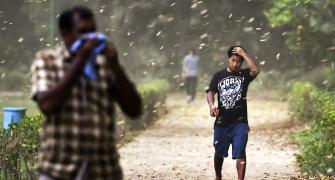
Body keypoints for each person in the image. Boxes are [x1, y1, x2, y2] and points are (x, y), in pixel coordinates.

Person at [30, 6, 142, 180]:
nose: (91, 38)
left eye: (93, 31)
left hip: (104, 170)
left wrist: (115, 66)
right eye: (83, 32)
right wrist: (80, 60)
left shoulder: (104, 65)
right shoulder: (47, 60)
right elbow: (47, 104)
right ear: (65, 33)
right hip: (59, 170)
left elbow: (134, 110)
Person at [206, 46, 259, 180]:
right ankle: (218, 176)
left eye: (239, 62)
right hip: (221, 121)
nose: (235, 64)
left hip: (240, 122)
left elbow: (255, 70)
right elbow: (211, 92)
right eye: (233, 60)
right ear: (228, 59)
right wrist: (212, 105)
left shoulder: (244, 75)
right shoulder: (219, 76)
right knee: (219, 152)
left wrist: (244, 54)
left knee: (241, 151)